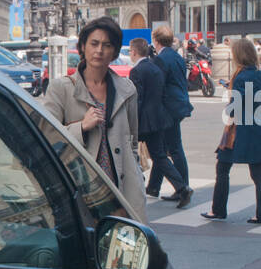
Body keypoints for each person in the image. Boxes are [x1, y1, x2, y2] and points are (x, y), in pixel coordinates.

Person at [43, 15, 147, 220]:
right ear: (83, 47)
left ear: (115, 52)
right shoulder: (61, 88)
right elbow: (45, 136)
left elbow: (132, 140)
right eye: (94, 43)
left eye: (107, 45)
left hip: (121, 188)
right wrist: (81, 127)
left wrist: (135, 174)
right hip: (80, 189)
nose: (99, 50)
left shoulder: (127, 90)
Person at [201, 37, 261, 221]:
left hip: (240, 131)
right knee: (257, 174)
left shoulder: (242, 76)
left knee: (223, 168)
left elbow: (239, 104)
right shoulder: (256, 74)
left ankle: (218, 209)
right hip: (255, 128)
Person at [127, 38, 191, 207]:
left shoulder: (137, 71)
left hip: (145, 121)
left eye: (129, 52)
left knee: (131, 153)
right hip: (158, 118)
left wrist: (133, 121)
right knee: (159, 155)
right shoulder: (155, 67)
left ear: (134, 52)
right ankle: (181, 186)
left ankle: (136, 187)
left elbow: (137, 99)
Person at [147, 24, 193, 201]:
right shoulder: (176, 56)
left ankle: (183, 187)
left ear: (156, 40)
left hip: (169, 108)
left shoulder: (161, 59)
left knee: (172, 148)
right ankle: (154, 187)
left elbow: (158, 85)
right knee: (163, 148)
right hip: (180, 104)